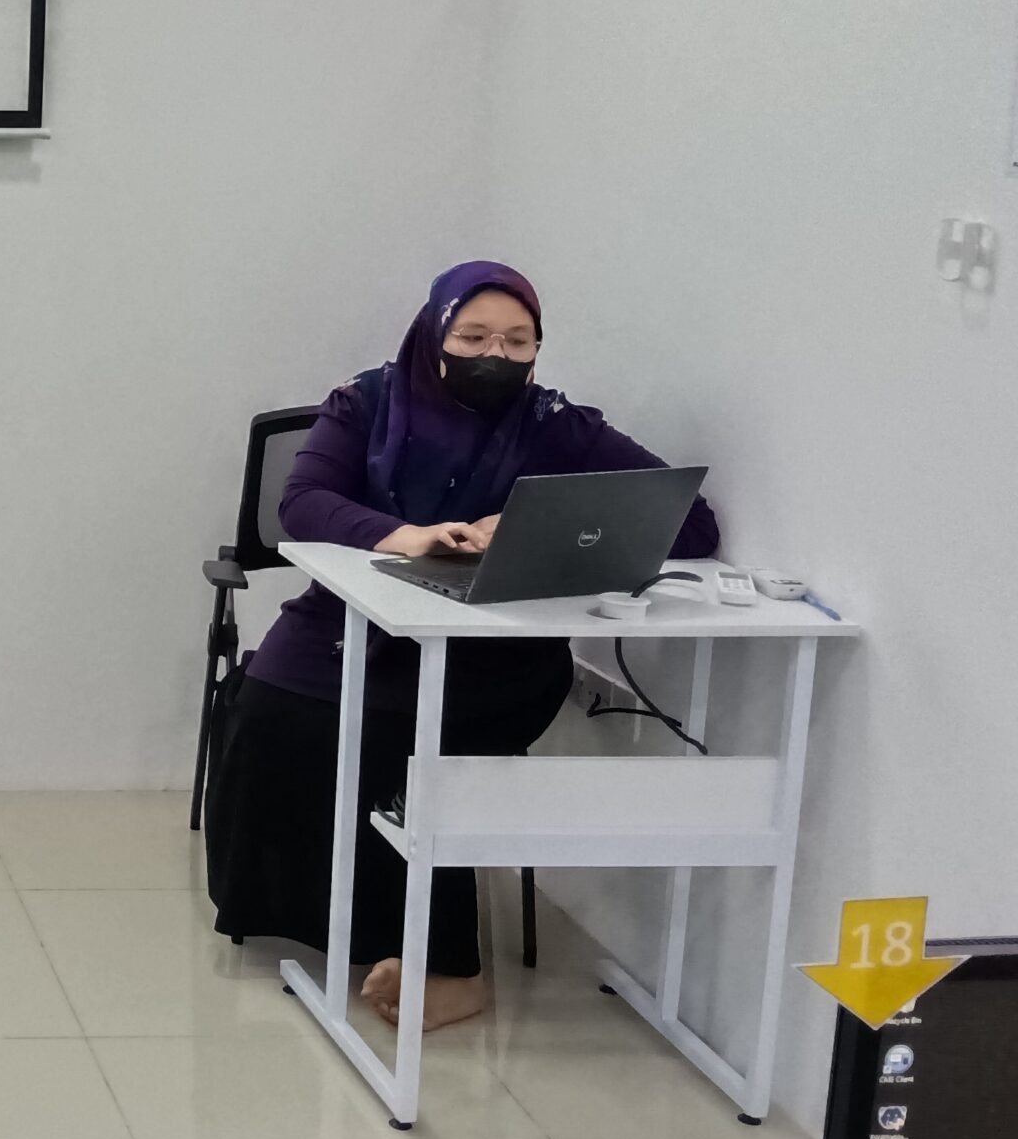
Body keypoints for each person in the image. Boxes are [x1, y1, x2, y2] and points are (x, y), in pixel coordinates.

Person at [204, 260, 718, 1030]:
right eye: (473, 336)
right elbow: (302, 502)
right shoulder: (366, 404)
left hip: (497, 656)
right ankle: (317, 918)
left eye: (517, 341)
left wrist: (535, 528)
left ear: (538, 348)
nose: (494, 355)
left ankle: (446, 963)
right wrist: (405, 535)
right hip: (347, 619)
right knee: (276, 710)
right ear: (433, 334)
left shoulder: (554, 424)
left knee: (403, 742)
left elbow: (692, 522)